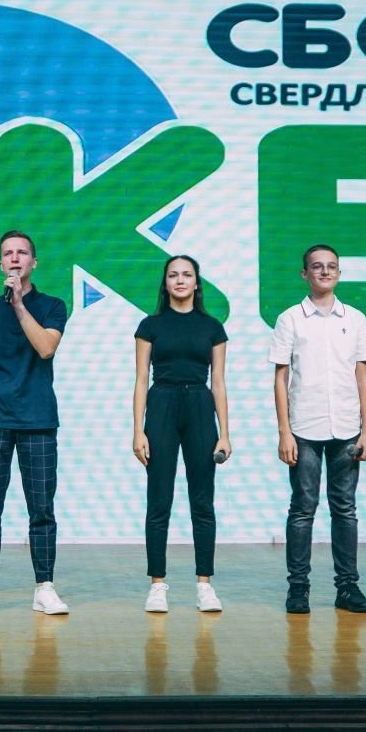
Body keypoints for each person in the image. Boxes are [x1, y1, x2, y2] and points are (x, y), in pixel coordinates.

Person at [0, 231, 69, 616]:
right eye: (8, 254)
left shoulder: (52, 306)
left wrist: (19, 305)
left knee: (42, 508)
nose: (15, 259)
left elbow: (46, 347)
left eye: (22, 253)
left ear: (33, 262)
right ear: (1, 263)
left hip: (38, 419)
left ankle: (44, 587)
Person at [271, 244, 366, 616]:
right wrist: (284, 432)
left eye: (331, 266)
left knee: (345, 509)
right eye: (317, 266)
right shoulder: (290, 319)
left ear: (339, 273)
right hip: (304, 427)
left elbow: (362, 377)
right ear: (305, 274)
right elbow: (281, 378)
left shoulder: (356, 319)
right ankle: (298, 588)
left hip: (347, 427)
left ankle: (347, 587)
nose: (325, 272)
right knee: (303, 509)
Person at [132, 255, 230, 613]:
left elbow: (218, 383)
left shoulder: (212, 328)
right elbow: (141, 380)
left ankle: (205, 585)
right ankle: (157, 585)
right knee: (159, 499)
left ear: (196, 282)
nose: (180, 280)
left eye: (187, 274)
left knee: (202, 501)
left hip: (200, 408)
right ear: (166, 282)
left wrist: (225, 433)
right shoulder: (150, 326)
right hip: (161, 404)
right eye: (173, 275)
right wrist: (138, 430)